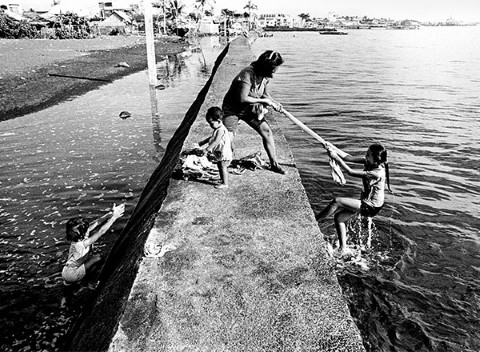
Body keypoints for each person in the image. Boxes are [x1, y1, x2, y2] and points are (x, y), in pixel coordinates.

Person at [316, 143, 391, 256]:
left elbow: (350, 172)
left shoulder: (377, 173)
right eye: (366, 154)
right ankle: (343, 249)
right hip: (368, 202)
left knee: (336, 201)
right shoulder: (370, 162)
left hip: (371, 206)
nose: (365, 157)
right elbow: (348, 157)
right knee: (339, 217)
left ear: (376, 161)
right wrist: (332, 147)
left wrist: (335, 157)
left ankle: (314, 221)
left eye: (368, 155)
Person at [222, 50, 285, 174]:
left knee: (266, 131)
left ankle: (274, 164)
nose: (275, 71)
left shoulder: (265, 77)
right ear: (267, 67)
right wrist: (266, 101)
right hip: (232, 109)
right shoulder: (247, 74)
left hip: (249, 109)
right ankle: (226, 164)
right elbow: (242, 98)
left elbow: (264, 94)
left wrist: (274, 102)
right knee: (227, 139)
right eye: (274, 68)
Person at [61, 203, 125, 286]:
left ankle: (74, 283)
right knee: (98, 258)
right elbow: (100, 232)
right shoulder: (83, 244)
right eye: (87, 229)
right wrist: (114, 218)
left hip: (66, 271)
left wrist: (110, 213)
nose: (89, 228)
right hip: (73, 274)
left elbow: (96, 223)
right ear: (82, 233)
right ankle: (88, 282)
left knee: (87, 262)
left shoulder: (76, 238)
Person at [198, 106, 233, 189]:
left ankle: (225, 183)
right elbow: (212, 138)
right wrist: (203, 142)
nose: (210, 125)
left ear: (218, 121)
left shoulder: (221, 130)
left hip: (224, 153)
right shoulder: (217, 128)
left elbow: (216, 141)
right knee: (219, 166)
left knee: (223, 167)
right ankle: (222, 179)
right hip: (220, 152)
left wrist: (207, 149)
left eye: (211, 123)